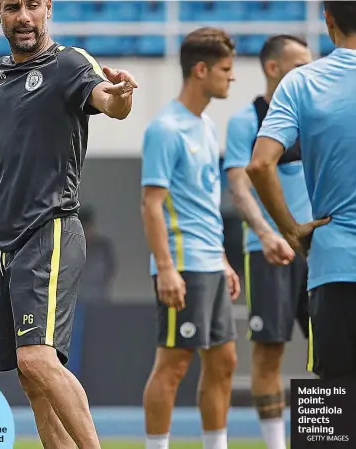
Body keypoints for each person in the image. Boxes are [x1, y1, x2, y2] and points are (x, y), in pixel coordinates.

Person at [0, 0, 137, 448]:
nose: (23, 16)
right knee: (31, 378)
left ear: (47, 9)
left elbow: (108, 101)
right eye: (12, 8)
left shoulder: (68, 62)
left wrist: (120, 96)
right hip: (6, 243)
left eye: (31, 6)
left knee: (38, 360)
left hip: (51, 229)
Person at [141, 27, 241, 449]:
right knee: (174, 366)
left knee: (224, 362)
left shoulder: (205, 126)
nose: (231, 78)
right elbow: (150, 204)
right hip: (182, 266)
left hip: (208, 263)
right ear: (200, 70)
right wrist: (166, 268)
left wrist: (221, 258)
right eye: (224, 69)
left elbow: (203, 204)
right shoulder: (165, 128)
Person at [246, 1, 356, 381]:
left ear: (328, 20)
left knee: (333, 410)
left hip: (333, 263)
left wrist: (291, 230)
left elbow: (260, 165)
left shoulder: (302, 81)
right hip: (331, 264)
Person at [223, 35, 312, 449]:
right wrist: (266, 233)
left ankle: (324, 437)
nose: (307, 73)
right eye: (298, 65)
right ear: (273, 68)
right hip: (269, 253)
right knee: (269, 351)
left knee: (332, 351)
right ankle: (277, 445)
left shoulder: (317, 117)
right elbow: (240, 185)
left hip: (321, 253)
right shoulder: (247, 120)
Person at [78, 205, 117, 302]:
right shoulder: (70, 249)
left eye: (87, 229)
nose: (85, 233)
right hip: (76, 302)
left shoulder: (103, 247)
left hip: (99, 299)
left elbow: (111, 271)